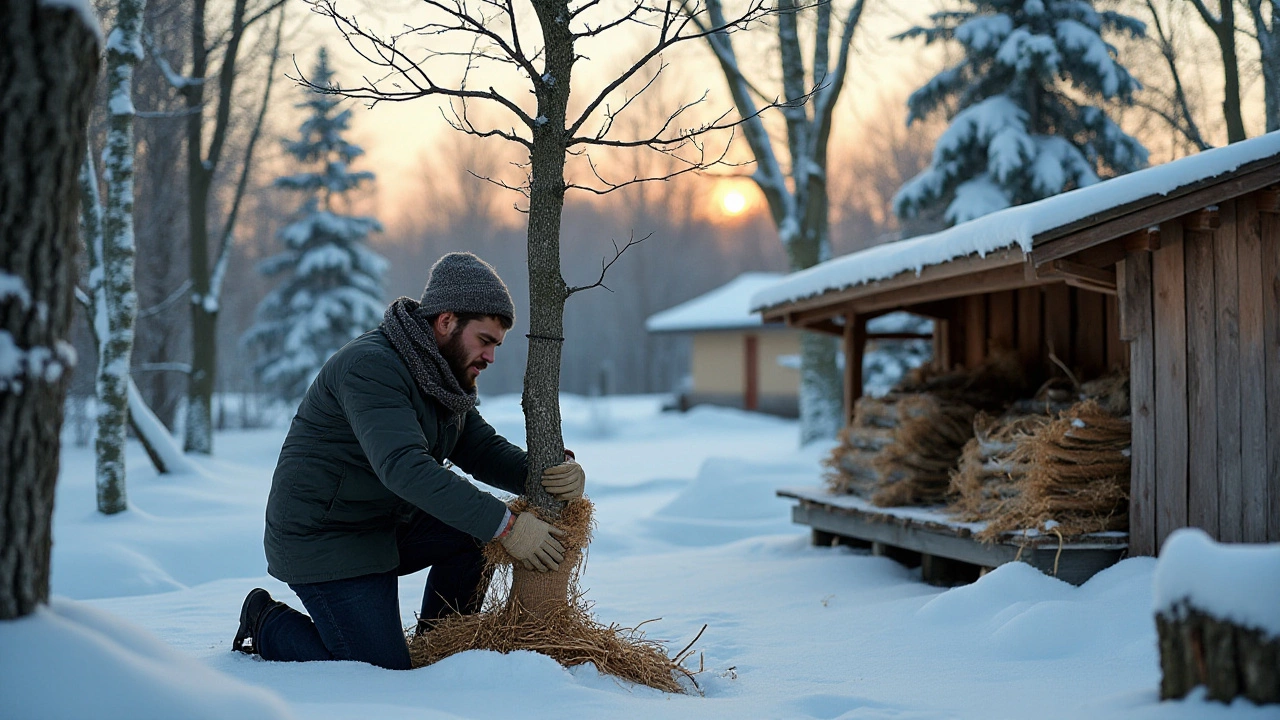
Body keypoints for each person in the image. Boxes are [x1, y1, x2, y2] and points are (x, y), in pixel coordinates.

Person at [232, 252, 585, 670]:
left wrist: (544, 475)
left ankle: (440, 651)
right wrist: (508, 526)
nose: (490, 357)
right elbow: (404, 467)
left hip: (382, 522)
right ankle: (265, 619)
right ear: (447, 321)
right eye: (485, 341)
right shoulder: (372, 367)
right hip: (325, 538)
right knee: (379, 672)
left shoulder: (442, 373)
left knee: (475, 532)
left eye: (496, 345)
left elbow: (480, 449)